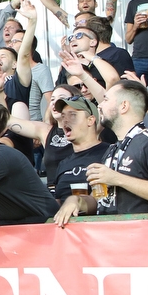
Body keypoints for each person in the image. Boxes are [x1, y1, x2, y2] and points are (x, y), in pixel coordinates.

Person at [86, 80, 148, 215]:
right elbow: (103, 199)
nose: (100, 105)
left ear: (124, 106)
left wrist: (117, 178)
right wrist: (78, 203)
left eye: (106, 100)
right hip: (109, 231)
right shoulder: (112, 148)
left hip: (140, 233)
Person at [51, 96, 112, 226]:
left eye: (72, 115)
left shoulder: (110, 153)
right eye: (62, 116)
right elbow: (57, 202)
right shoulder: (63, 163)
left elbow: (105, 200)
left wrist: (77, 201)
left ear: (90, 120)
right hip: (64, 231)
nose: (65, 120)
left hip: (99, 228)